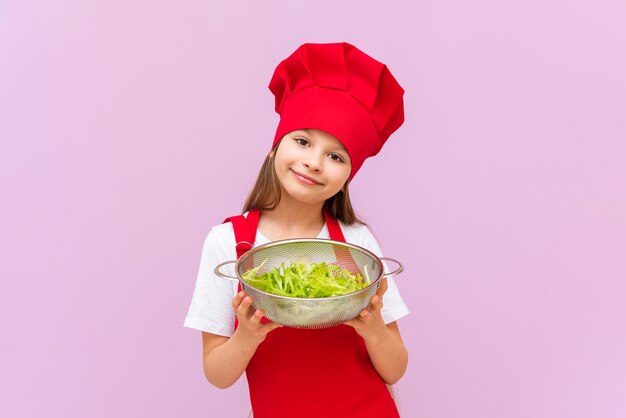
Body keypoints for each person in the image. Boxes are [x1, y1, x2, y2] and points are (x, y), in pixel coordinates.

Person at [184, 42, 410, 418]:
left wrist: (372, 328)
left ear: (347, 176)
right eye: (302, 141)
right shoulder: (228, 243)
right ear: (275, 148)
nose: (313, 162)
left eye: (335, 156)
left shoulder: (356, 243)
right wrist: (247, 335)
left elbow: (395, 368)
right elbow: (217, 374)